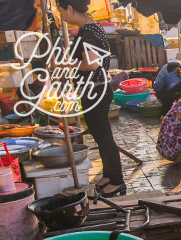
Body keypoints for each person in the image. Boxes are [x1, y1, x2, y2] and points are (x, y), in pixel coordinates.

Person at [56, 0, 125, 197]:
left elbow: (92, 64)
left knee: (104, 137)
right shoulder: (93, 28)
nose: (60, 15)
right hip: (95, 89)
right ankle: (109, 175)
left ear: (70, 8)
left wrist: (66, 66)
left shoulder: (87, 32)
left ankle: (118, 181)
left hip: (96, 91)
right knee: (98, 134)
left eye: (61, 10)